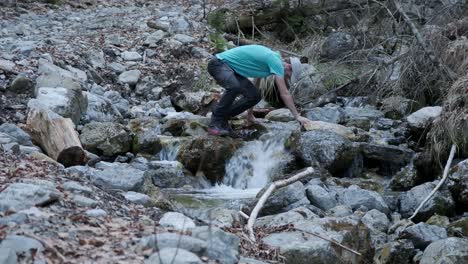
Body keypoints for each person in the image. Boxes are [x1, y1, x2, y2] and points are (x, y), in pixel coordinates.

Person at [207, 44, 312, 136]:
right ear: (288, 67)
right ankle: (215, 122)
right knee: (235, 87)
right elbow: (284, 93)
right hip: (219, 64)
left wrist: (249, 114)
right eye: (288, 76)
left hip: (232, 70)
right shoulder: (276, 62)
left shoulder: (269, 64)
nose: (286, 78)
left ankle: (223, 118)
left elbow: (255, 87)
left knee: (255, 95)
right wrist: (297, 116)